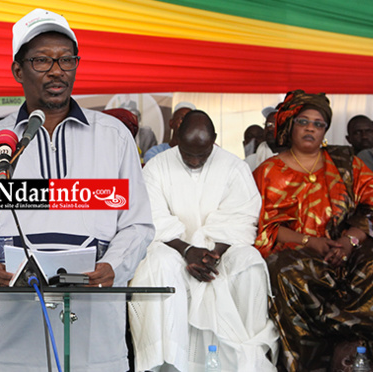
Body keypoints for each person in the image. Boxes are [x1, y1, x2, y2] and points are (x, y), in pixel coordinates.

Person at [0, 8, 154, 371]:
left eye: (66, 59)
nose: (57, 70)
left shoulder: (114, 137)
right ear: (18, 70)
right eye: (42, 60)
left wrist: (113, 266)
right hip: (14, 319)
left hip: (94, 317)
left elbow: (137, 224)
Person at [130, 110, 278, 372]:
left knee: (251, 263)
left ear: (215, 140)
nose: (195, 161)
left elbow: (241, 218)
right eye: (188, 154)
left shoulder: (235, 167)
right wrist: (187, 250)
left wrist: (213, 254)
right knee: (159, 265)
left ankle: (245, 362)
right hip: (172, 248)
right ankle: (167, 363)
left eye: (203, 154)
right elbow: (153, 219)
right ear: (176, 138)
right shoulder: (157, 167)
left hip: (222, 250)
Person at [253, 89, 373, 372]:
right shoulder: (269, 172)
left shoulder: (348, 164)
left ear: (325, 131)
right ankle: (334, 348)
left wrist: (349, 240)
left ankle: (353, 348)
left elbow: (369, 206)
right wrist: (311, 242)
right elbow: (264, 227)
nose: (311, 128)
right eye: (303, 121)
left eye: (318, 124)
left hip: (349, 251)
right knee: (284, 273)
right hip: (298, 255)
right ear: (290, 126)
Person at [246, 106, 283, 171]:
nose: (270, 128)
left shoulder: (296, 159)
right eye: (267, 125)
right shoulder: (249, 162)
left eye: (275, 124)